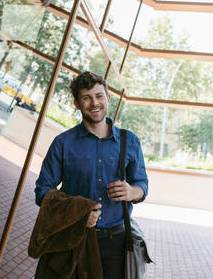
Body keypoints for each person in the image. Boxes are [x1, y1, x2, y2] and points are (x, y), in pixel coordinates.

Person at [34, 71, 148, 279]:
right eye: (86, 98)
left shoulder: (130, 141)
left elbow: (142, 185)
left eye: (99, 96)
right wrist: (77, 213)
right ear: (77, 103)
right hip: (72, 238)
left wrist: (132, 191)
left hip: (116, 243)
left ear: (108, 99)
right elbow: (42, 192)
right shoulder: (63, 143)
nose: (94, 103)